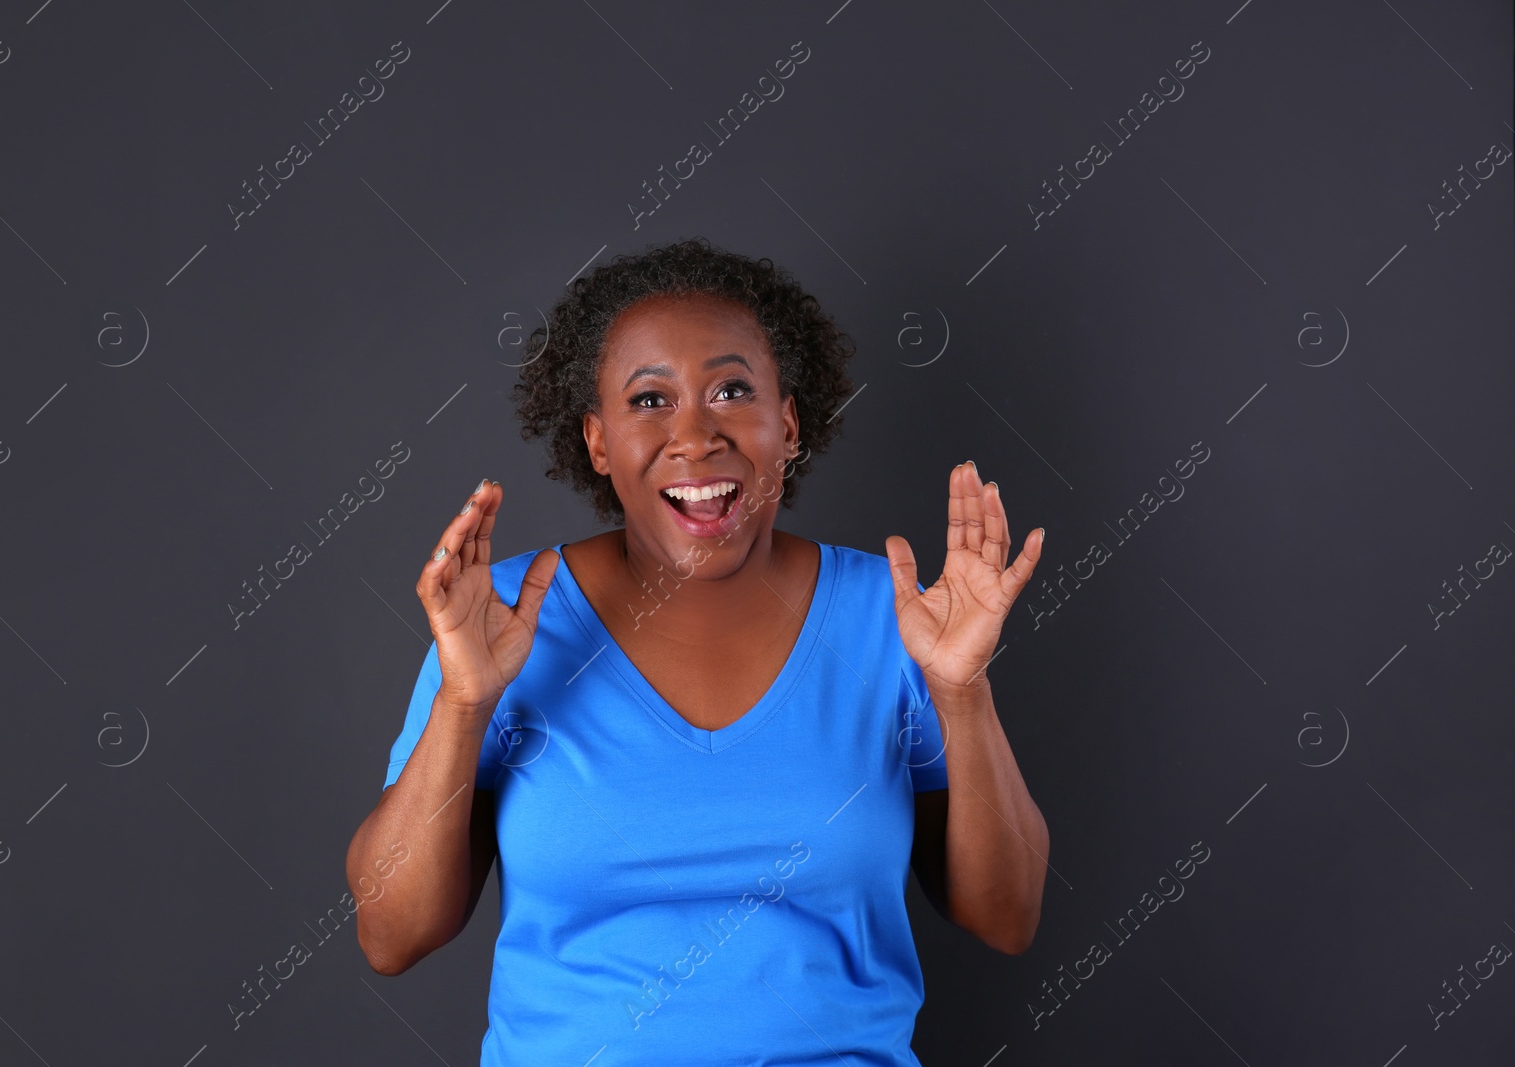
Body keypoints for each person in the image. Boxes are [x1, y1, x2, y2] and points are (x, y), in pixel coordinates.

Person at [344, 237, 1049, 1065]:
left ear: (786, 424)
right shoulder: (501, 621)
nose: (695, 435)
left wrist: (962, 691)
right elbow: (391, 935)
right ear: (598, 442)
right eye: (649, 400)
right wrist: (464, 704)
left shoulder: (895, 619)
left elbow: (1006, 917)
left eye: (731, 390)